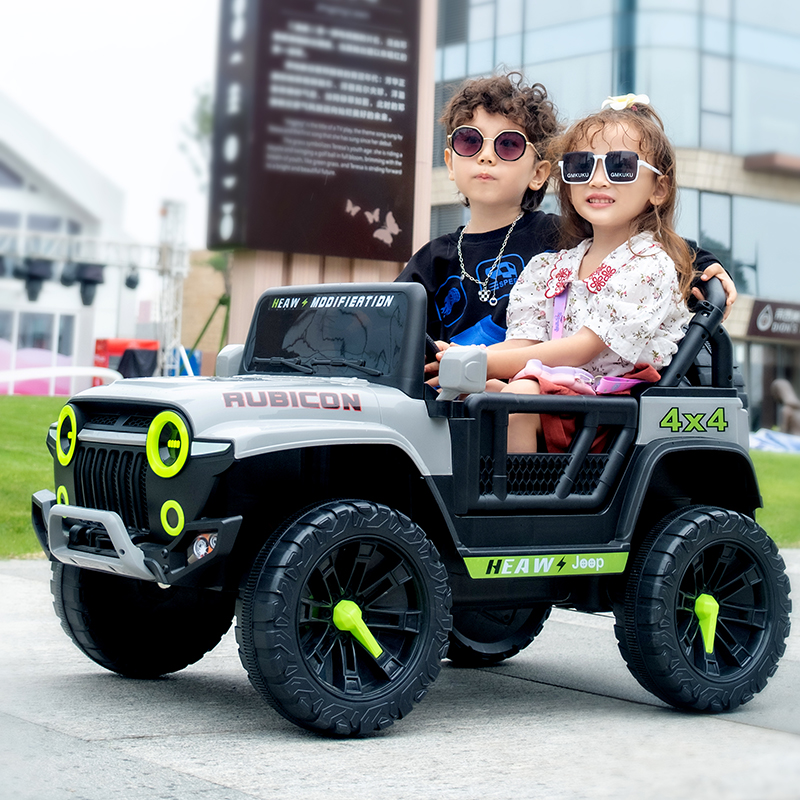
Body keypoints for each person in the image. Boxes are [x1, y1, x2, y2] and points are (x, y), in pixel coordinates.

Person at [397, 74, 736, 348]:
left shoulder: (563, 237)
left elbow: (644, 244)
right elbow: (387, 322)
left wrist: (705, 265)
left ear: (539, 173)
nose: (486, 156)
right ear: (450, 163)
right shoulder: (432, 260)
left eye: (508, 144)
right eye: (470, 141)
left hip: (530, 402)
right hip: (445, 412)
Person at [483, 94, 695, 452]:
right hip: (561, 396)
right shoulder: (550, 267)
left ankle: (523, 502)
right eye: (582, 165)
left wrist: (479, 361)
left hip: (607, 417)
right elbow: (525, 343)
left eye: (621, 166)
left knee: (514, 398)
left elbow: (582, 349)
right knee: (475, 393)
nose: (598, 179)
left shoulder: (648, 266)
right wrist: (463, 359)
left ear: (659, 188)